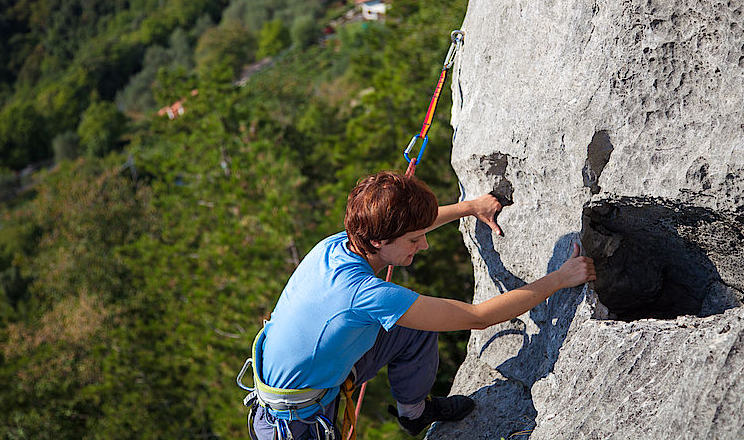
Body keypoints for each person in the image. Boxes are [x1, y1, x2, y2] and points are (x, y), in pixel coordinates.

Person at [245, 171, 595, 439]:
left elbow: (410, 226)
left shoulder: (337, 245)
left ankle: (413, 413)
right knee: (417, 317)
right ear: (379, 241)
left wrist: (471, 207)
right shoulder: (365, 292)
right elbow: (478, 318)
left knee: (415, 326)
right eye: (414, 240)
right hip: (296, 425)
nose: (424, 245)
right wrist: (559, 279)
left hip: (313, 382)